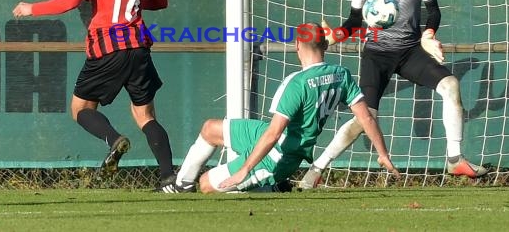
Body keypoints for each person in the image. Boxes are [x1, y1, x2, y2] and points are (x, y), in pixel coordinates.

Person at [299, 0, 488, 189]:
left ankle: (455, 158)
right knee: (366, 119)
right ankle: (315, 171)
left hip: (410, 50)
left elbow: (433, 11)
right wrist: (336, 36)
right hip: (376, 55)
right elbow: (354, 22)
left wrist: (428, 35)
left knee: (450, 85)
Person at [12, 0, 177, 192]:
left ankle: (114, 140)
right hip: (138, 46)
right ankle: (169, 179)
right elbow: (160, 0)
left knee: (80, 108)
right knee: (146, 116)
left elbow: (70, 1)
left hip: (107, 47)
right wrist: (134, 1)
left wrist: (30, 8)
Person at [165, 22, 399, 193]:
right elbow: (367, 118)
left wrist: (245, 168)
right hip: (271, 137)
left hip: (279, 156)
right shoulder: (341, 74)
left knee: (207, 185)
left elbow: (274, 134)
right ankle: (181, 185)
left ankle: (272, 188)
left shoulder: (295, 84)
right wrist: (382, 154)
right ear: (325, 45)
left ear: (297, 45)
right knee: (210, 129)